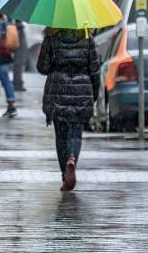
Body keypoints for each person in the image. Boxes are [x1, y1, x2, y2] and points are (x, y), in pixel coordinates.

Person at [37, 28, 101, 191]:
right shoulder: (87, 39)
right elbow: (95, 70)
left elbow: (42, 67)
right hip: (81, 91)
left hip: (58, 92)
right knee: (75, 134)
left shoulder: (51, 38)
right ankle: (72, 159)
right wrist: (93, 95)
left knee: (61, 136)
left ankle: (65, 175)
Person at [12, 20, 28, 92]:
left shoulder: (18, 27)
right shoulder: (19, 29)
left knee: (19, 61)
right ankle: (17, 83)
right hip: (18, 30)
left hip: (18, 28)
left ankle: (17, 82)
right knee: (19, 61)